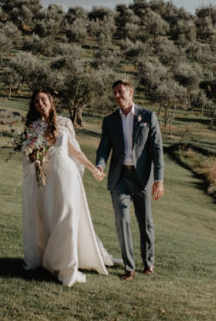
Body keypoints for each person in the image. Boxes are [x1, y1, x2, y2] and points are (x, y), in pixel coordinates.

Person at [21, 89, 114, 286]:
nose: (40, 103)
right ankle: (48, 260)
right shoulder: (33, 126)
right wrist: (33, 158)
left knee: (67, 215)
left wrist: (93, 169)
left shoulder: (65, 122)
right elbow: (28, 152)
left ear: (51, 101)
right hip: (45, 180)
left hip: (65, 175)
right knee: (47, 217)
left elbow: (76, 152)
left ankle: (67, 265)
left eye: (43, 99)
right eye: (36, 101)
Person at [95, 79, 164, 280]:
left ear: (131, 92)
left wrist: (159, 180)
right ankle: (129, 267)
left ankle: (148, 262)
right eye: (115, 92)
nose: (117, 96)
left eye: (121, 91)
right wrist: (100, 165)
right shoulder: (109, 120)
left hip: (142, 178)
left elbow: (157, 150)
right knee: (122, 220)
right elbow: (103, 148)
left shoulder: (148, 116)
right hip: (119, 178)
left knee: (146, 222)